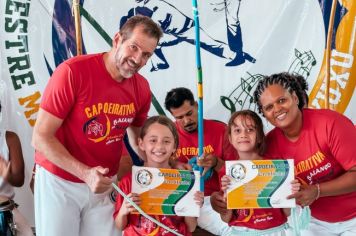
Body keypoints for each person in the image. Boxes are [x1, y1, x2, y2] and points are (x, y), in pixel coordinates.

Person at [32, 15, 163, 236]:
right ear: (117, 39)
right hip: (61, 180)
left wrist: (169, 165)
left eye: (146, 55)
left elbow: (138, 138)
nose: (138, 59)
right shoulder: (73, 72)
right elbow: (40, 137)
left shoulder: (141, 87)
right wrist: (85, 174)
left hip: (106, 183)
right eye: (133, 48)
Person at [252, 72, 356, 235]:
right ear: (264, 114)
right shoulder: (269, 145)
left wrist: (318, 190)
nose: (277, 109)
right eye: (269, 107)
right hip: (312, 221)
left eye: (281, 100)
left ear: (295, 98)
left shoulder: (331, 123)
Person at [114, 115, 204, 235]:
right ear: (141, 143)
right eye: (153, 140)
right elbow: (119, 226)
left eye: (166, 141)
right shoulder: (128, 181)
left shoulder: (186, 181)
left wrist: (192, 204)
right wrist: (124, 210)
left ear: (174, 146)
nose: (159, 146)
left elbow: (191, 227)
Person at [164, 87, 235, 235]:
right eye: (179, 117)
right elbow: (156, 165)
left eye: (189, 113)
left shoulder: (221, 130)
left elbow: (235, 171)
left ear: (197, 105)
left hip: (217, 197)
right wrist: (174, 164)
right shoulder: (167, 135)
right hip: (185, 200)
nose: (186, 121)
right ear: (172, 116)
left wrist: (216, 163)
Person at [219, 110, 300, 235]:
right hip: (241, 232)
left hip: (275, 232)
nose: (243, 134)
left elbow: (287, 212)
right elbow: (226, 218)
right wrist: (226, 194)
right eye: (237, 130)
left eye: (250, 130)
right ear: (230, 138)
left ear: (260, 136)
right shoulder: (227, 172)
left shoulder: (276, 167)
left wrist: (290, 192)